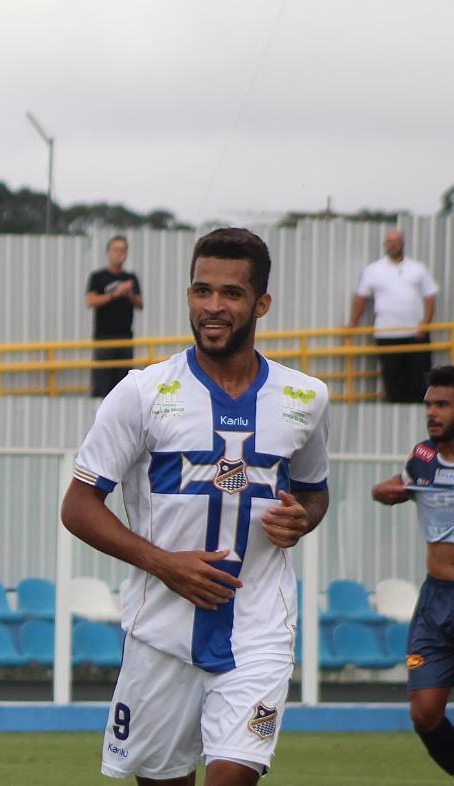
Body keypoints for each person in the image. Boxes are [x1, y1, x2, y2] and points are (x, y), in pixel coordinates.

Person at [62, 227, 330, 785]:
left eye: (231, 293)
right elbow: (79, 505)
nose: (213, 307)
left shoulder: (306, 398)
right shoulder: (140, 392)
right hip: (161, 630)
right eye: (201, 290)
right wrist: (165, 563)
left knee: (232, 777)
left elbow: (313, 489)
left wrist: (302, 519)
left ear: (261, 303)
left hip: (258, 625)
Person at [370, 364, 454, 777]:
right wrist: (385, 492)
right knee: (425, 713)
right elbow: (394, 486)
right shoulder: (422, 457)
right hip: (435, 601)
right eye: (430, 405)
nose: (432, 413)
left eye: (442, 405)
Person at [347, 229, 438, 403]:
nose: (393, 245)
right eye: (390, 241)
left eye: (397, 241)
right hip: (387, 335)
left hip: (416, 335)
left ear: (402, 243)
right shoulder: (373, 270)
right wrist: (353, 323)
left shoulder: (417, 268)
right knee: (393, 380)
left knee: (420, 380)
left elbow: (430, 297)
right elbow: (361, 298)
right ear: (385, 245)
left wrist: (425, 325)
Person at [85, 235, 143, 397]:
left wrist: (129, 293)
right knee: (102, 386)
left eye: (123, 250)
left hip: (125, 338)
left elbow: (140, 304)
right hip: (104, 338)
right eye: (116, 250)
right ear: (108, 252)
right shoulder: (98, 277)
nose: (119, 254)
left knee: (123, 387)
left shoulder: (130, 278)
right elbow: (90, 301)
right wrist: (114, 294)